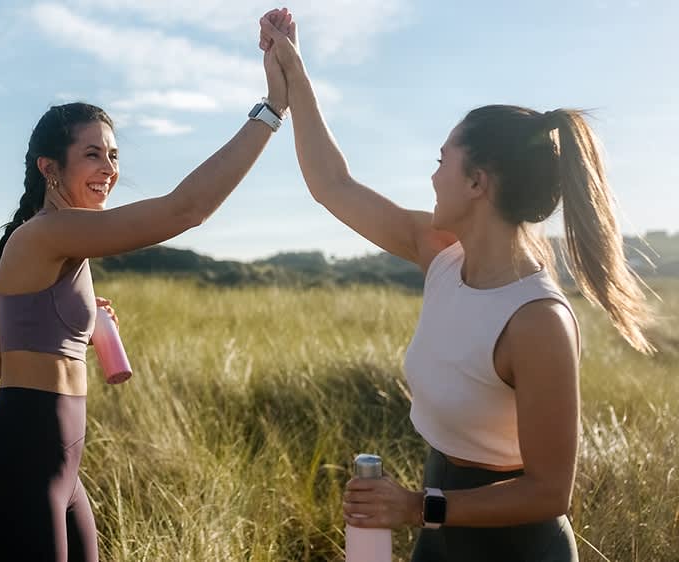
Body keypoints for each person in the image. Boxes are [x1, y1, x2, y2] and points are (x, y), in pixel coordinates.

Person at [259, 10, 653, 561]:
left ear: (476, 183)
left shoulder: (537, 319)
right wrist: (291, 74)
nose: (432, 175)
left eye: (442, 160)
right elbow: (332, 184)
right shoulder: (442, 255)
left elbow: (549, 491)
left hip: (514, 547)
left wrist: (420, 507)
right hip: (440, 534)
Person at [0, 12, 294, 560]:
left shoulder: (56, 245)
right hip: (16, 468)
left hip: (57, 469)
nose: (109, 168)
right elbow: (187, 209)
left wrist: (57, 331)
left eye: (113, 155)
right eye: (92, 154)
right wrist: (273, 109)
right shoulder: (47, 233)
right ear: (49, 168)